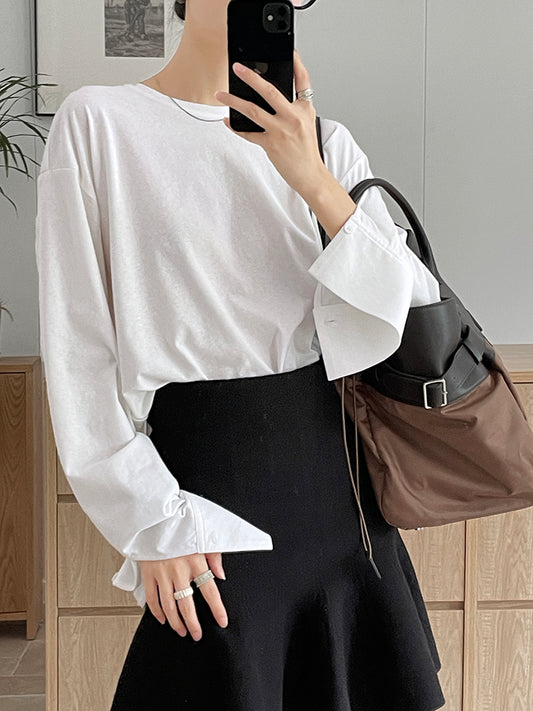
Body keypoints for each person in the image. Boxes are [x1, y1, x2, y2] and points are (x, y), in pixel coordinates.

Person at [35, 0, 447, 708]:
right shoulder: (99, 123)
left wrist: (311, 176)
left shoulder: (325, 142)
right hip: (203, 496)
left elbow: (408, 306)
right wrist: (151, 520)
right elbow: (80, 347)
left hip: (340, 498)